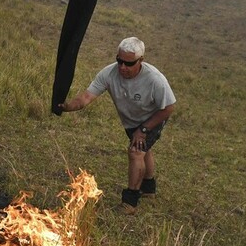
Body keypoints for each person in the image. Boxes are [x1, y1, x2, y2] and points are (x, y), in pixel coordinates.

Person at [59, 37, 176, 214]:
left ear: (141, 61)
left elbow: (168, 108)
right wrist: (67, 107)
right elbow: (86, 98)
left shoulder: (155, 79)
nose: (122, 67)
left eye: (129, 64)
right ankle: (149, 188)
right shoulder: (108, 74)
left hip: (153, 118)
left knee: (136, 151)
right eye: (119, 61)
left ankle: (130, 202)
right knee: (144, 150)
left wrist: (143, 130)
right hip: (131, 120)